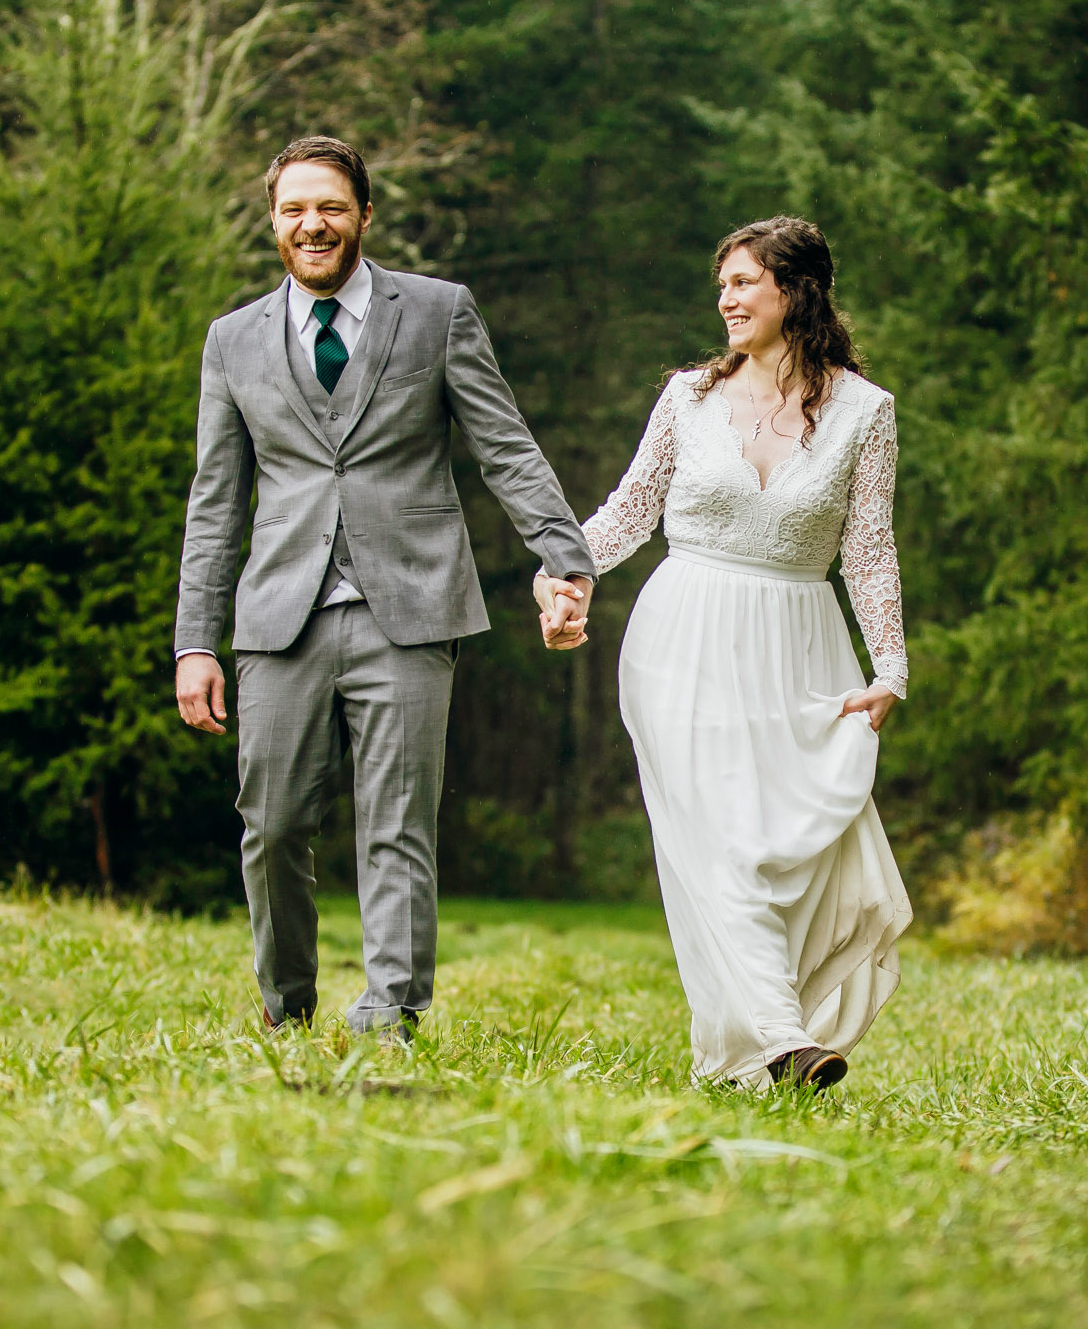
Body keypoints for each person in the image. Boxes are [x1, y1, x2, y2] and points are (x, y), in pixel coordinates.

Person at [174, 136, 596, 1039]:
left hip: (410, 607)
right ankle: (284, 1005)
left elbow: (505, 447)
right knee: (275, 824)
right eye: (293, 209)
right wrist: (196, 641)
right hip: (277, 618)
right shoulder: (232, 340)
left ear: (364, 214)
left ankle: (390, 1010)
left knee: (397, 821)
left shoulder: (438, 314)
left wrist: (565, 561)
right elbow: (216, 502)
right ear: (274, 221)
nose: (311, 224)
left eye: (329, 207)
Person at [536, 217, 912, 1090]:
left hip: (801, 646)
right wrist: (561, 573)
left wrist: (889, 667)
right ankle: (784, 1040)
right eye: (722, 284)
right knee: (722, 845)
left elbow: (869, 549)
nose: (726, 300)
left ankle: (742, 1057)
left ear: (797, 290)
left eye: (744, 282)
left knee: (795, 852)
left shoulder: (867, 412)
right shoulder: (687, 397)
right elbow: (629, 511)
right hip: (684, 637)